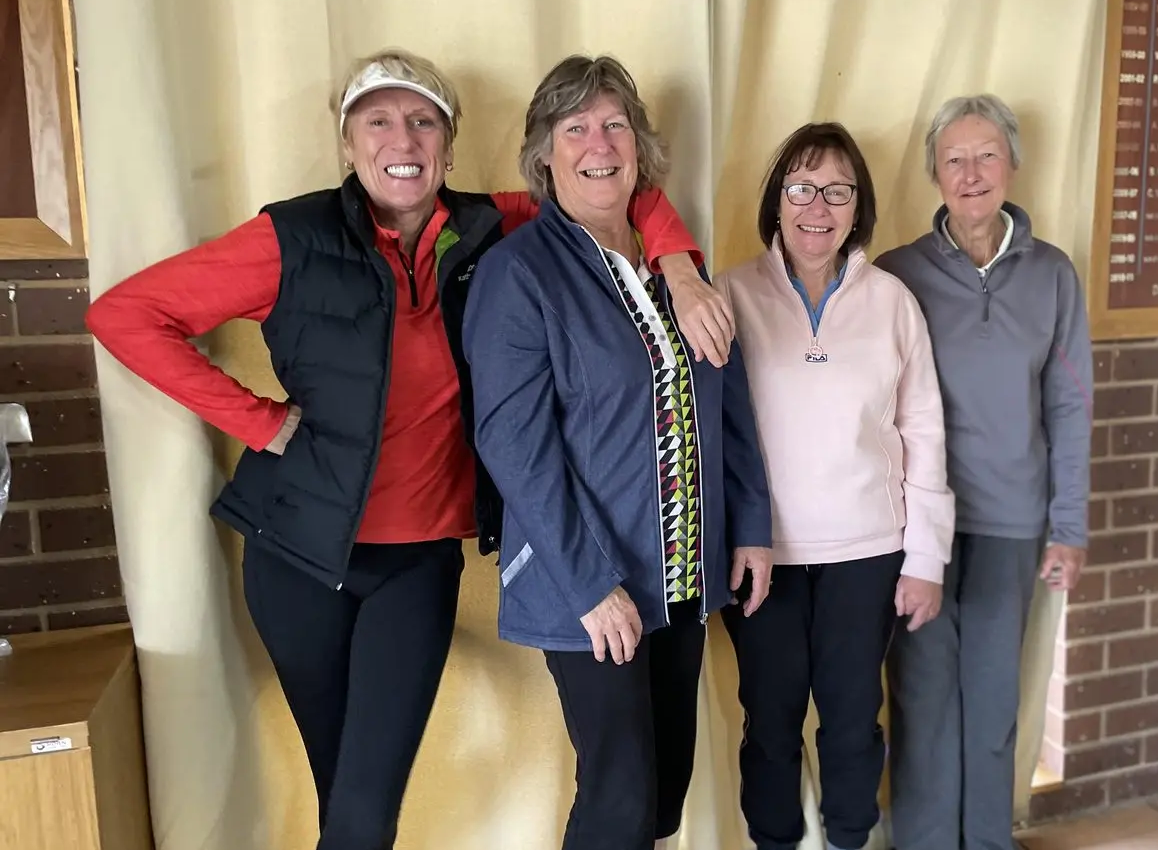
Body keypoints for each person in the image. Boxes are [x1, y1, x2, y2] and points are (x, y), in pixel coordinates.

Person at [84, 47, 732, 850]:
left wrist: (680, 262)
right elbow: (124, 315)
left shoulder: (495, 223)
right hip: (297, 554)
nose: (404, 137)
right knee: (348, 801)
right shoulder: (290, 237)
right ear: (348, 145)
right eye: (379, 120)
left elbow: (616, 192)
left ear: (450, 146)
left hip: (418, 562)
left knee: (364, 805)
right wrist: (257, 421)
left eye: (424, 120)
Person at [461, 54, 774, 850]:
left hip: (679, 573)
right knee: (620, 797)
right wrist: (590, 584)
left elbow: (728, 410)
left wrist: (752, 525)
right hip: (590, 586)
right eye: (576, 127)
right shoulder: (517, 273)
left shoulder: (680, 273)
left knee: (662, 793)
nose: (598, 142)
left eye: (614, 124)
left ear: (639, 148)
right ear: (544, 154)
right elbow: (512, 442)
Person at [714, 122, 956, 850]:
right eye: (800, 187)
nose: (817, 206)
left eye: (837, 191)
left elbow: (924, 430)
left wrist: (925, 559)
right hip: (762, 558)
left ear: (858, 207)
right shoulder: (728, 295)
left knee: (853, 717)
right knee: (771, 719)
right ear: (776, 201)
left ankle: (850, 839)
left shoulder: (891, 302)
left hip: (868, 552)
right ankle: (775, 842)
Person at [874, 94, 1093, 850]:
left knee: (993, 700)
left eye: (986, 155)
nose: (971, 173)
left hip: (1010, 524)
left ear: (1013, 165)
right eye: (955, 158)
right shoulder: (896, 275)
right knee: (924, 700)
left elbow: (1069, 405)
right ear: (934, 172)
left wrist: (1069, 527)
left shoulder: (1054, 276)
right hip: (917, 534)